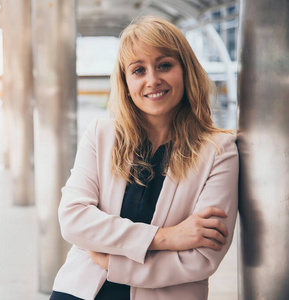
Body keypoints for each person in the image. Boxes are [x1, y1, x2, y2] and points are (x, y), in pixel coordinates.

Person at [49, 16, 239, 300]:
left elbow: (201, 257)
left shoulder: (219, 151)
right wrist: (166, 237)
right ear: (126, 82)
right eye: (139, 70)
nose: (153, 80)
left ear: (186, 70)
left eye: (164, 65)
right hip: (80, 290)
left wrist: (113, 262)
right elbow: (74, 219)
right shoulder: (101, 135)